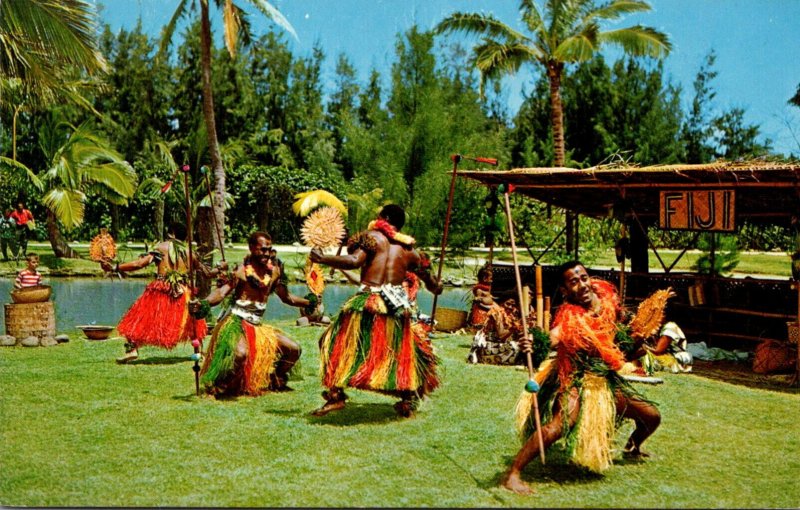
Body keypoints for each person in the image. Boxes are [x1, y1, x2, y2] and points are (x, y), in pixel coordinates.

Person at [500, 261, 661, 495]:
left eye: (583, 277)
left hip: (603, 382)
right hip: (573, 381)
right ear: (565, 291)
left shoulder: (608, 303)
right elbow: (553, 337)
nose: (582, 285)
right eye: (574, 282)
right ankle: (513, 473)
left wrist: (638, 339)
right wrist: (535, 343)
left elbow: (620, 343)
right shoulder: (569, 318)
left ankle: (633, 447)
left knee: (651, 417)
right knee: (558, 426)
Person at [308, 204, 443, 418]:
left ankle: (336, 396)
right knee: (398, 352)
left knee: (332, 341)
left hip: (368, 302)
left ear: (384, 218)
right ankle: (407, 399)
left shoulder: (372, 237)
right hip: (396, 307)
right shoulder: (410, 251)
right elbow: (432, 284)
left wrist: (323, 258)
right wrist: (437, 285)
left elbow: (354, 261)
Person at [193, 231, 314, 396]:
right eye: (262, 249)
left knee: (294, 349)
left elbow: (287, 298)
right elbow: (221, 293)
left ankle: (275, 379)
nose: (266, 253)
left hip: (257, 325)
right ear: (251, 248)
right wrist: (204, 303)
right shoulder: (241, 271)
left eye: (269, 249)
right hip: (237, 322)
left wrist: (309, 302)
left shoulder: (275, 271)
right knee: (241, 354)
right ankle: (221, 387)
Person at [100, 222, 222, 364]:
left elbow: (139, 264)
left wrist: (115, 267)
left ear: (171, 234)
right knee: (192, 322)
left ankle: (132, 350)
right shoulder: (191, 253)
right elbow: (208, 273)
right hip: (184, 293)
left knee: (136, 318)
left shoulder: (160, 248)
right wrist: (220, 268)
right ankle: (198, 351)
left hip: (161, 290)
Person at [466, 298, 530, 366]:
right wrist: (515, 326)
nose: (510, 307)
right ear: (501, 303)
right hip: (488, 348)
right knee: (515, 347)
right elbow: (501, 334)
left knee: (523, 345)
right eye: (507, 304)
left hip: (501, 347)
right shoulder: (496, 313)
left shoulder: (511, 315)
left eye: (512, 305)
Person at [629, 321, 693, 374]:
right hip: (664, 354)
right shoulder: (658, 327)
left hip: (677, 360)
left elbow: (658, 351)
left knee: (643, 354)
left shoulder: (669, 327)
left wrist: (643, 345)